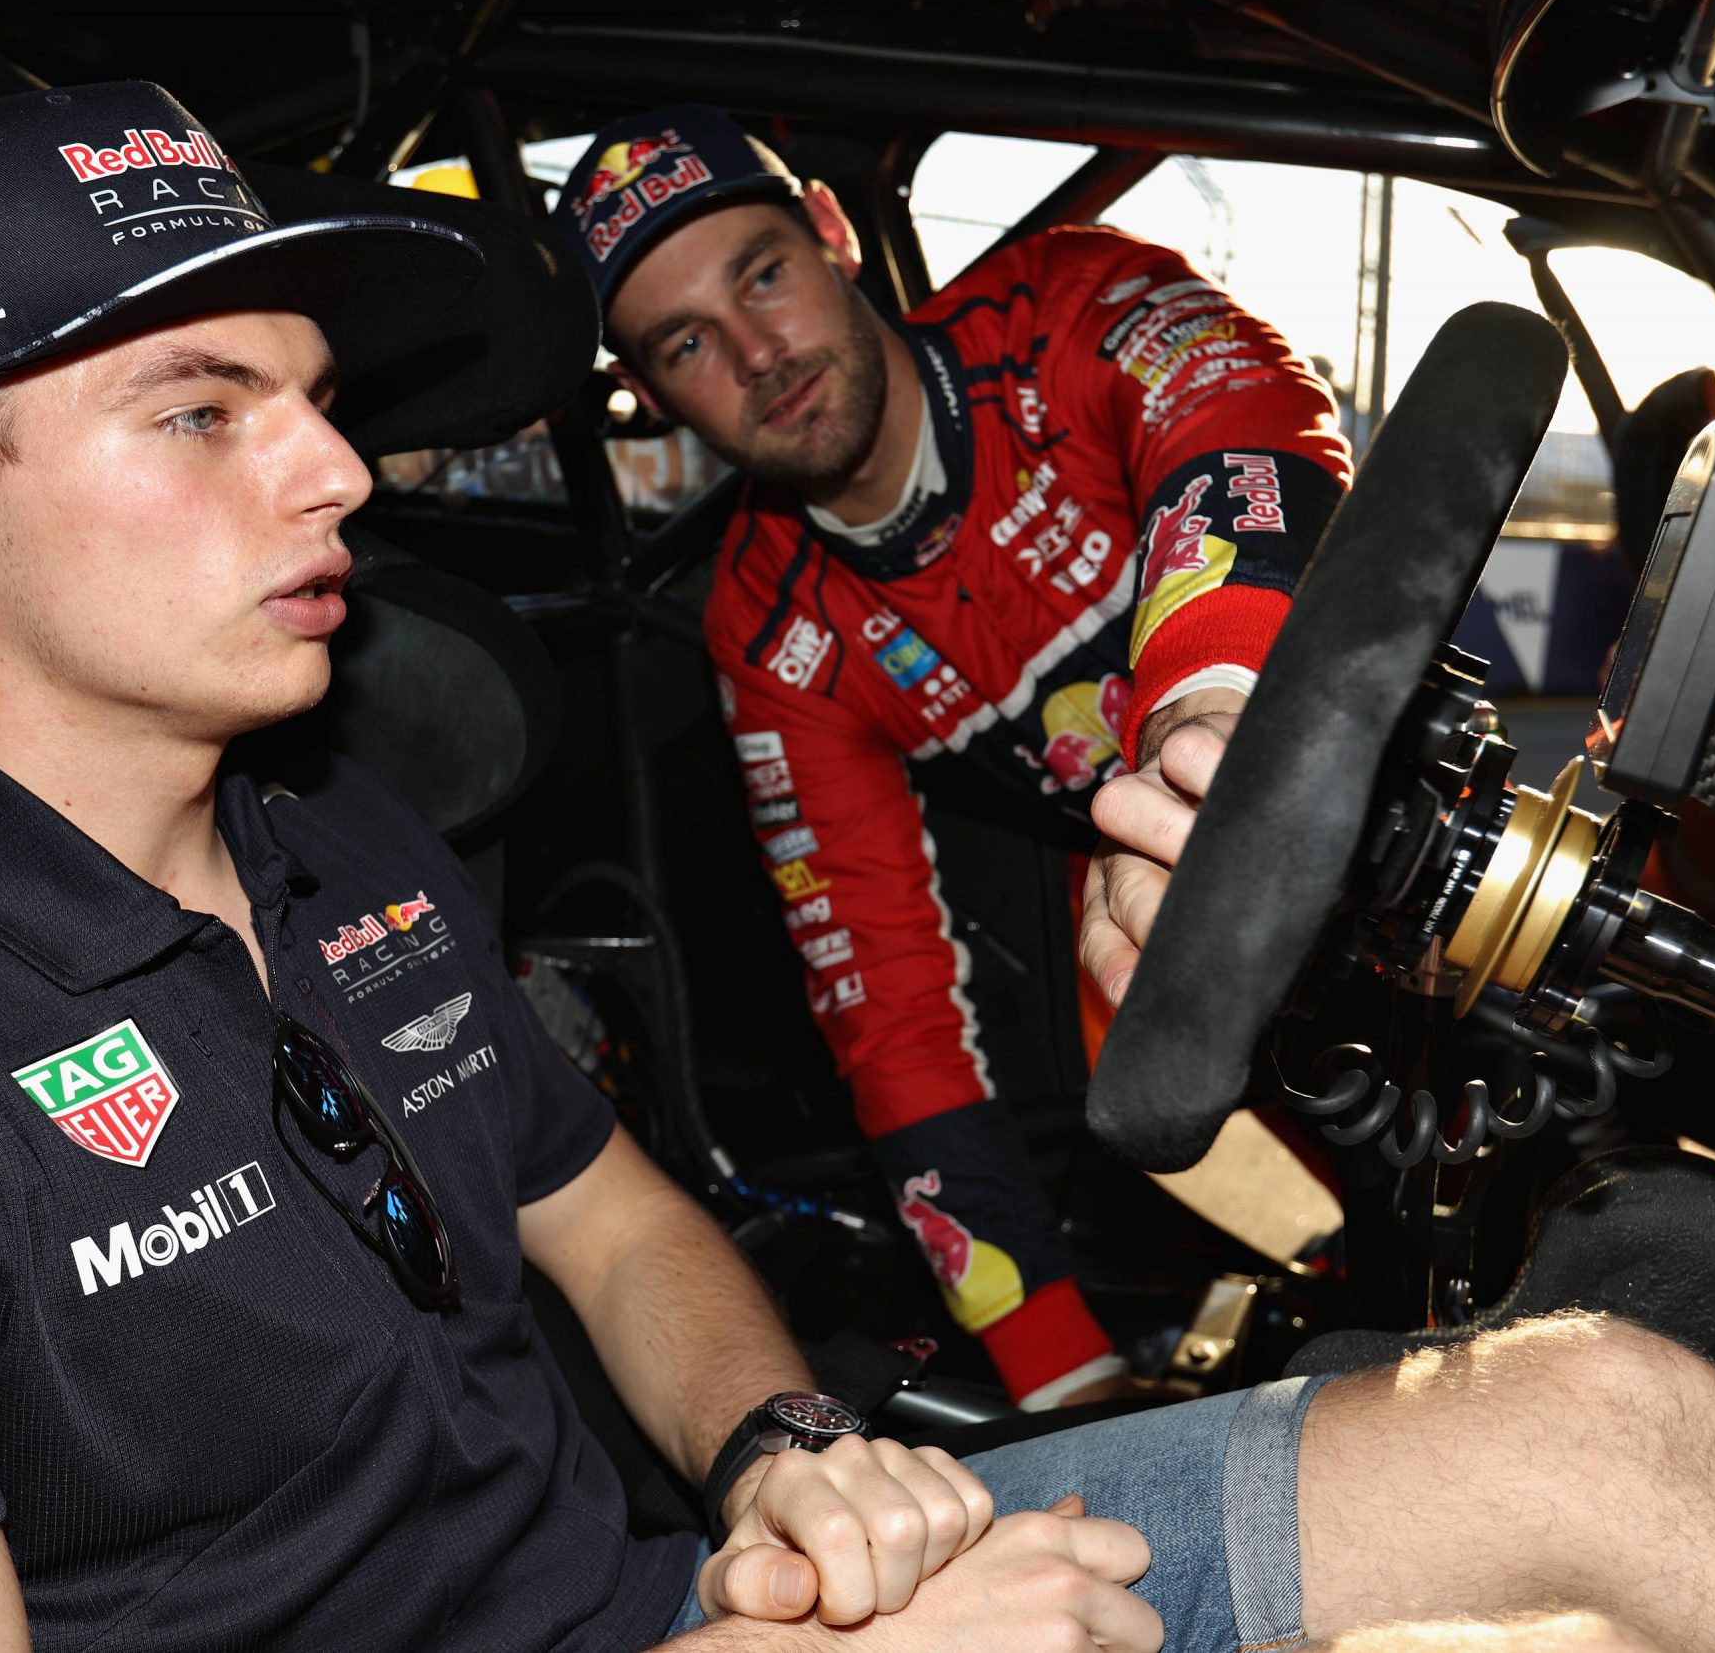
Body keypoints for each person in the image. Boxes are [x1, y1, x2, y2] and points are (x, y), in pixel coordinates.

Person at [0, 81, 1715, 1653]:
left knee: (1603, 1425)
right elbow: (892, 1037)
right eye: (203, 411)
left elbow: (621, 1228)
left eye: (314, 408)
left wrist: (795, 1462)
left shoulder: (335, 848)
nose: (333, 478)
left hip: (706, 1584)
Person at [553, 105, 1351, 1409]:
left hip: (1425, 809)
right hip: (1201, 982)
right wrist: (1060, 1381)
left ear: (831, 232)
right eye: (689, 342)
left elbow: (1248, 429)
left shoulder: (1070, 301)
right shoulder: (770, 629)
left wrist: (1202, 708)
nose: (758, 354)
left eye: (761, 272)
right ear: (647, 394)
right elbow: (887, 1013)